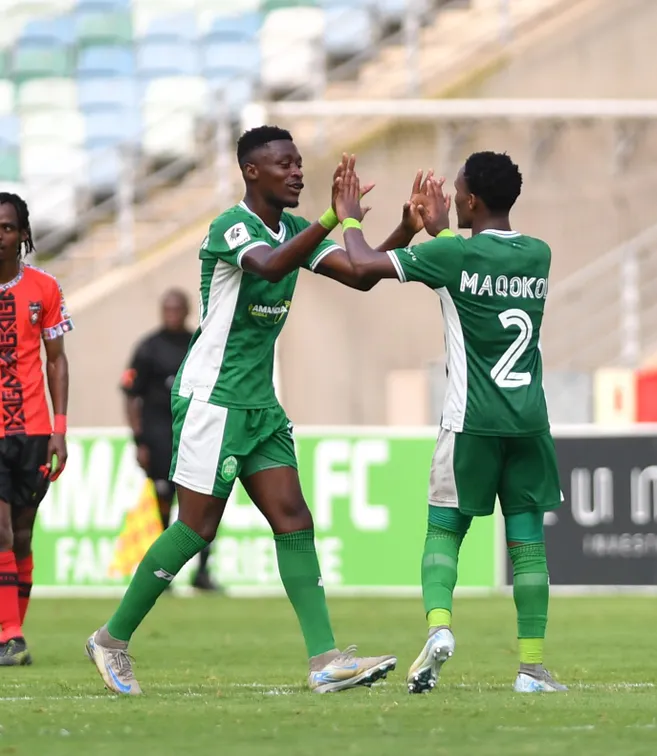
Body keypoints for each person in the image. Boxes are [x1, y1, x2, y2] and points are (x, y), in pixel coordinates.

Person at [86, 126, 431, 695]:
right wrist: (333, 217)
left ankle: (324, 660)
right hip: (213, 397)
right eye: (284, 164)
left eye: (299, 163)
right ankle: (110, 639)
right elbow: (268, 266)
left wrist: (405, 231)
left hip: (259, 403)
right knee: (196, 528)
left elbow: (360, 275)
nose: (297, 172)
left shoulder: (294, 230)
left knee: (294, 518)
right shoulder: (232, 226)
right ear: (252, 171)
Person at [333, 152, 567, 694]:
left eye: (459, 192)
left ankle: (439, 628)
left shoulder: (450, 254)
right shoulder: (539, 254)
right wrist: (438, 231)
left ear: (471, 201)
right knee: (528, 543)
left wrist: (350, 218)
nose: (453, 198)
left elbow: (363, 265)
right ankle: (532, 669)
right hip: (529, 423)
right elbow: (475, 269)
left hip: (470, 422)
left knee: (444, 531)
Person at [0, 192, 72, 666]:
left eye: (7, 227)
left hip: (33, 431)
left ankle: (13, 635)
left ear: (23, 234)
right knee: (1, 533)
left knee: (22, 536)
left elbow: (57, 361)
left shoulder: (45, 288)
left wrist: (59, 429)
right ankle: (10, 634)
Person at [121, 289, 218, 591]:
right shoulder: (148, 347)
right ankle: (164, 573)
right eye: (167, 309)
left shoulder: (199, 344)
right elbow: (131, 394)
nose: (172, 314)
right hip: (159, 437)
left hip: (195, 436)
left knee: (204, 504)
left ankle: (202, 572)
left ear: (187, 310)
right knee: (164, 502)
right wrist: (139, 440)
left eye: (177, 309)